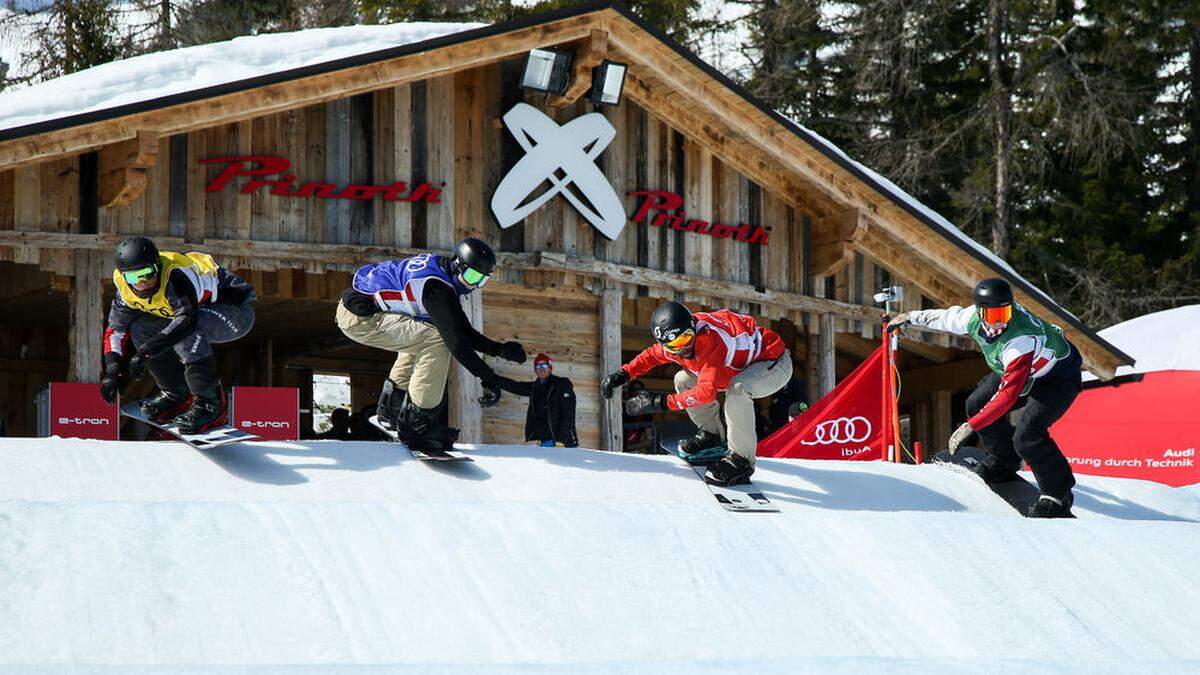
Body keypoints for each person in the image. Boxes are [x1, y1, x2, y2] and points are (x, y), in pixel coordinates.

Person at [889, 277, 1083, 518]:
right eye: (993, 316)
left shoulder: (1019, 340)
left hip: (1057, 378)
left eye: (1006, 312)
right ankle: (1004, 460)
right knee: (976, 403)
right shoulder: (970, 318)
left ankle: (1058, 494)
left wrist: (971, 426)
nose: (1001, 321)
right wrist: (910, 317)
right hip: (1018, 371)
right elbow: (944, 318)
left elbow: (1008, 395)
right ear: (980, 313)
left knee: (1028, 435)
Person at [335, 237, 525, 452]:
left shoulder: (443, 276)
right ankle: (418, 423)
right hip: (360, 318)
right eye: (472, 276)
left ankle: (391, 408)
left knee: (424, 334)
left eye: (481, 281)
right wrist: (488, 377)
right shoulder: (437, 289)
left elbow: (463, 331)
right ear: (458, 265)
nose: (473, 285)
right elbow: (456, 342)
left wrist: (499, 350)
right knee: (436, 339)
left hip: (361, 312)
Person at [600, 301, 793, 486]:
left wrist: (660, 402)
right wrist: (623, 374)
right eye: (675, 345)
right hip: (735, 368)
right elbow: (650, 356)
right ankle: (712, 436)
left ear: (693, 326)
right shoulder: (675, 342)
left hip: (774, 362)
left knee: (738, 390)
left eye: (686, 338)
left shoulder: (709, 341)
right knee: (683, 380)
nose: (683, 347)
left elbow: (706, 393)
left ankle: (741, 461)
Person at [99, 236, 256, 434]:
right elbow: (115, 330)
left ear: (157, 266)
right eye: (133, 277)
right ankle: (175, 394)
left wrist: (145, 352)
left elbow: (186, 321)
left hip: (235, 311)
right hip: (196, 311)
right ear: (124, 277)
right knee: (141, 329)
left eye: (147, 274)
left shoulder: (175, 277)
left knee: (186, 331)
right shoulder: (124, 289)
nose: (142, 283)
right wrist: (112, 370)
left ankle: (210, 405)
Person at [496, 353, 578, 447]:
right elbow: (516, 387)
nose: (541, 369)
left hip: (563, 442)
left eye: (544, 365)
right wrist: (492, 378)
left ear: (550, 367)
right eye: (538, 366)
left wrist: (561, 440)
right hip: (544, 442)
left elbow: (568, 415)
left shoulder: (561, 385)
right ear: (535, 370)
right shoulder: (536, 387)